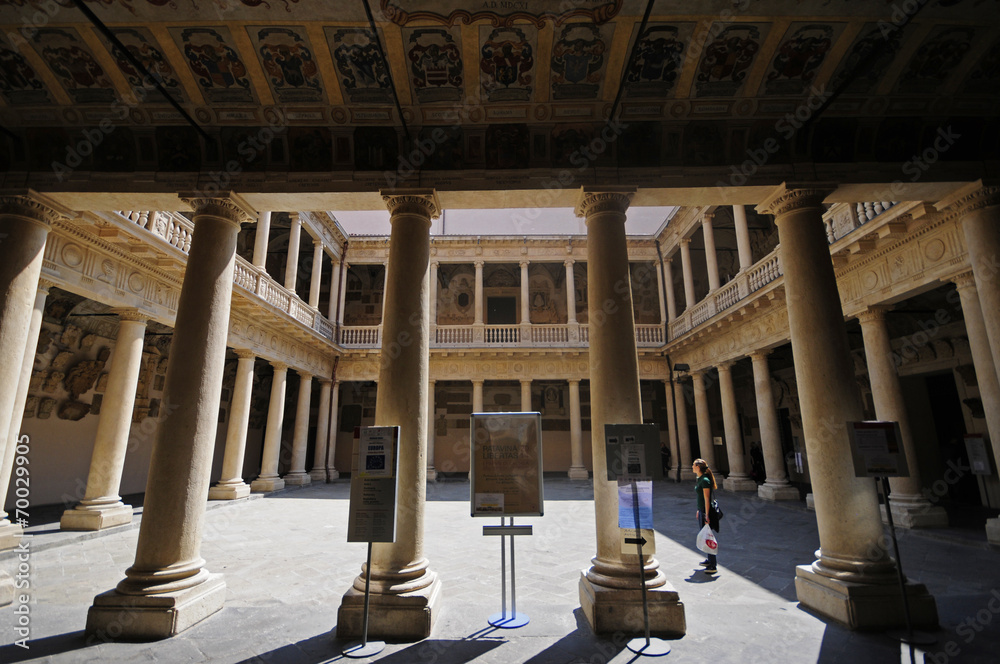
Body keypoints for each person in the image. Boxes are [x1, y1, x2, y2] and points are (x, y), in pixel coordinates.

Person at [693, 458, 718, 574]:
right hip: (702, 510)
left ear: (698, 467)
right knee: (705, 535)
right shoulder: (700, 479)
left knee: (708, 537)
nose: (692, 466)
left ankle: (713, 565)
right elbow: (701, 498)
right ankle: (709, 560)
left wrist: (706, 515)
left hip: (706, 511)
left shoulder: (705, 480)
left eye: (693, 465)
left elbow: (707, 499)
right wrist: (699, 510)